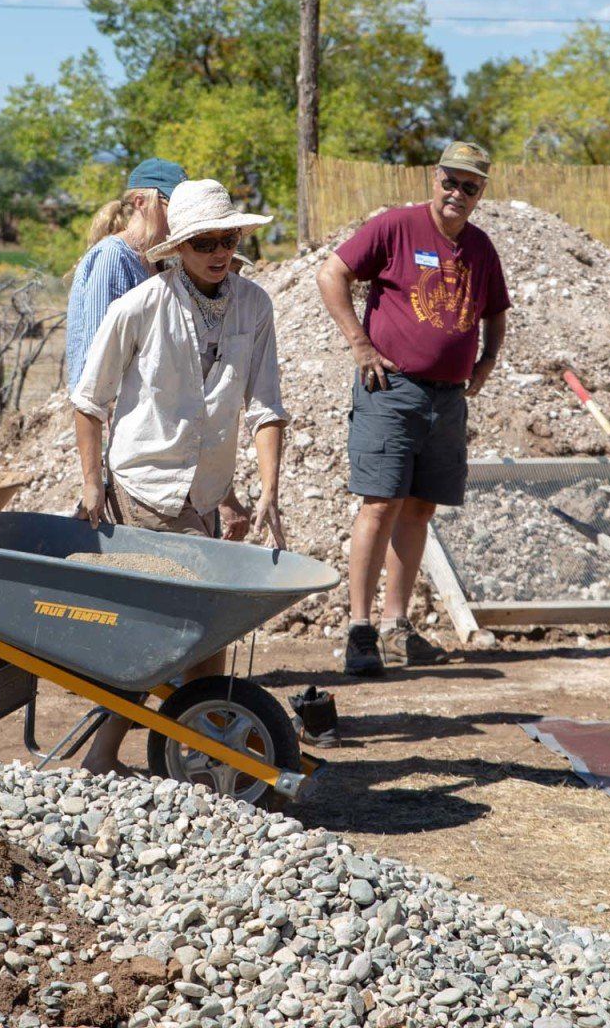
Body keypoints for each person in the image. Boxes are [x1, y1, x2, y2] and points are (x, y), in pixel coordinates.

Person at [69, 178, 290, 773]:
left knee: (199, 631)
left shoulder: (254, 305)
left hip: (204, 492)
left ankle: (198, 744)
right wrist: (93, 483)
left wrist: (265, 491)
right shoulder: (141, 306)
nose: (219, 252)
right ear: (180, 248)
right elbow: (88, 400)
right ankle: (128, 752)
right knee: (174, 628)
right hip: (144, 484)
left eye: (227, 238)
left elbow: (266, 407)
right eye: (203, 242)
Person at [316, 140, 510, 676]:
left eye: (469, 187)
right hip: (391, 389)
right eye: (450, 181)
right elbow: (331, 274)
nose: (457, 193)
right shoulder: (396, 227)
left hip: (447, 399)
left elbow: (496, 310)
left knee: (421, 507)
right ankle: (359, 630)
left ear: (480, 193)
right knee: (380, 503)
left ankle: (396, 628)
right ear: (435, 177)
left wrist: (488, 359)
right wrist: (359, 344)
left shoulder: (480, 248)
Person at [64, 157, 184, 393]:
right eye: (172, 202)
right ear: (141, 202)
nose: (182, 211)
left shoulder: (158, 260)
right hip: (111, 413)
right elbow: (99, 352)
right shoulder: (113, 256)